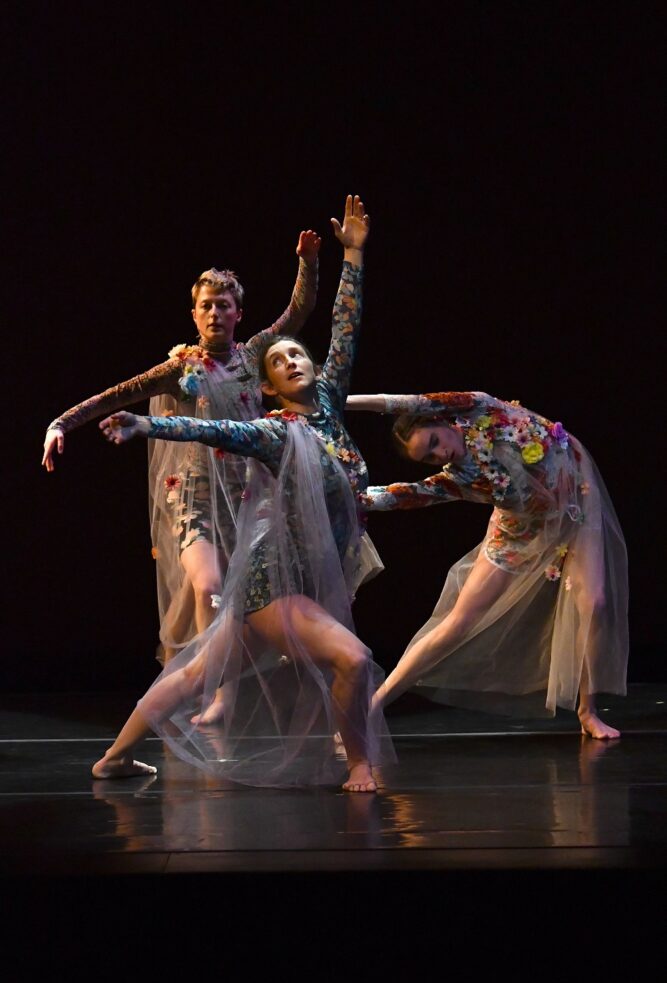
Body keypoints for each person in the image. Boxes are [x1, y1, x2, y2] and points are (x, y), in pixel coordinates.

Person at [94, 196, 391, 791]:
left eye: (296, 352)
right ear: (270, 385)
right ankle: (359, 762)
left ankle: (115, 757)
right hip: (269, 583)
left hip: (298, 576)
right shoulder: (273, 432)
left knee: (197, 672)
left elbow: (345, 325)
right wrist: (147, 423)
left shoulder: (329, 406)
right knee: (353, 660)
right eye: (278, 360)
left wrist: (352, 254)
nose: (290, 357)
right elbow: (210, 427)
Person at [42, 234, 320, 691]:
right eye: (207, 306)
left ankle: (220, 693)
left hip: (249, 493)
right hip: (195, 495)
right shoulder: (182, 369)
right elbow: (119, 394)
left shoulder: (253, 357)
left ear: (238, 315)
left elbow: (300, 310)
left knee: (241, 601)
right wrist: (61, 422)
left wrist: (307, 261)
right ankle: (192, 686)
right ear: (194, 315)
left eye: (224, 306)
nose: (215, 313)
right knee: (208, 587)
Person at [347, 390, 628, 739]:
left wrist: (342, 400)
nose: (440, 454)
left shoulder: (485, 411)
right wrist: (346, 495)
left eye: (434, 441)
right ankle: (374, 705)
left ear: (439, 419)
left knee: (594, 602)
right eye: (430, 458)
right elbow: (401, 495)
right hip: (519, 530)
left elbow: (408, 402)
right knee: (457, 623)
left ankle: (588, 710)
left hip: (573, 505)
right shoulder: (459, 478)